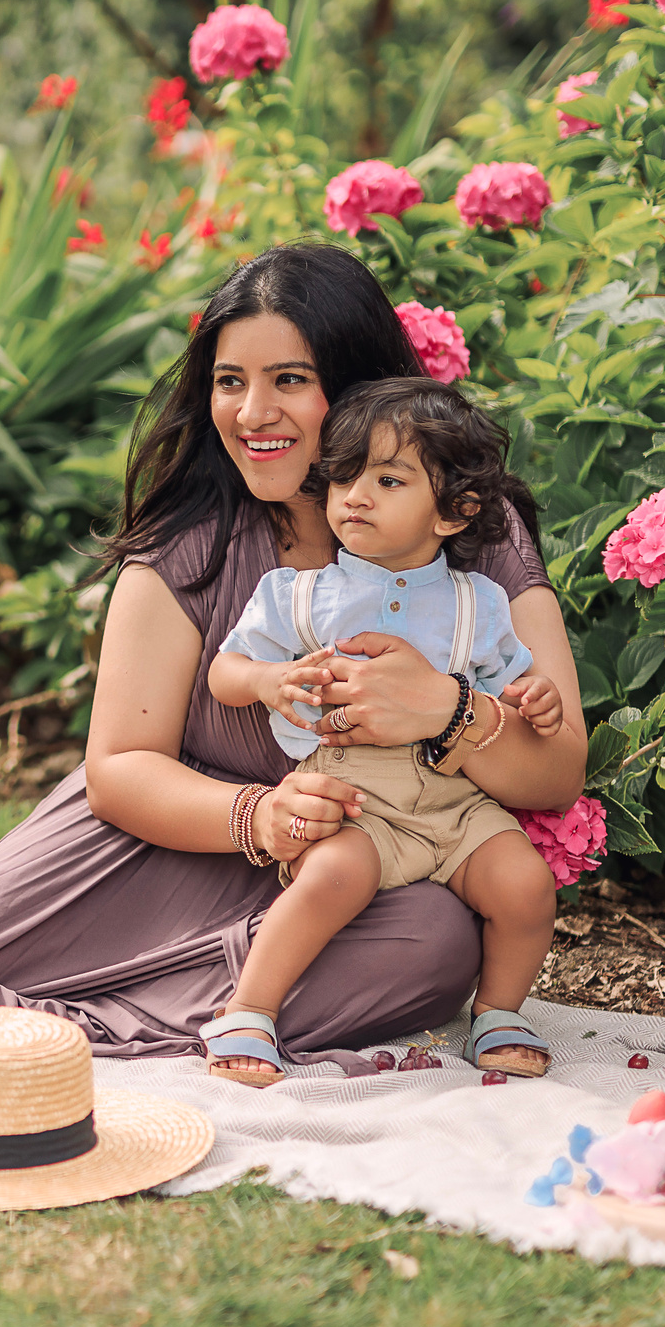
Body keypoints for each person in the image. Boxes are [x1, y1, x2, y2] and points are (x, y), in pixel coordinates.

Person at [0, 244, 588, 1067]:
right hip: (165, 847)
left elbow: (557, 771)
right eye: (230, 383)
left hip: (368, 871)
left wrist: (447, 710)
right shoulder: (192, 546)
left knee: (435, 950)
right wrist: (261, 817)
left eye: (291, 380)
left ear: (361, 390)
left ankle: (38, 1020)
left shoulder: (474, 532)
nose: (253, 414)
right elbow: (121, 767)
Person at [202, 377, 567, 1083]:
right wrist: (266, 681)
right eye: (342, 477)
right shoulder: (302, 594)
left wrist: (537, 701)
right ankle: (247, 1010)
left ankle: (497, 1012)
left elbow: (510, 693)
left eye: (388, 480)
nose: (354, 496)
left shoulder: (477, 604)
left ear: (455, 512)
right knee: (334, 873)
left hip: (454, 802)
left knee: (525, 883)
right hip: (353, 798)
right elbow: (226, 669)